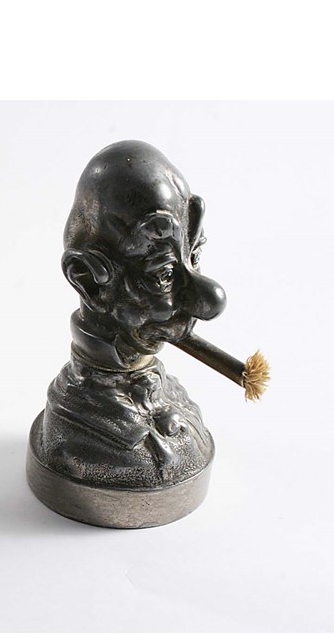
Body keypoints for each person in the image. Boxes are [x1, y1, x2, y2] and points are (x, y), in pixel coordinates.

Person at [32, 141, 228, 489]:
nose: (208, 301)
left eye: (194, 255)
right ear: (89, 281)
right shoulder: (79, 437)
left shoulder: (173, 396)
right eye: (164, 273)